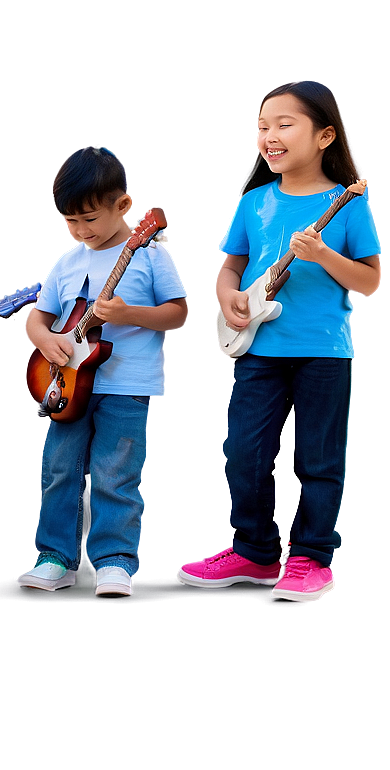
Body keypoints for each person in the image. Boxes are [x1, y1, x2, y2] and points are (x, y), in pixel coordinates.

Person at [177, 79, 382, 602]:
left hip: (324, 351)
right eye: (262, 126)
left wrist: (324, 258)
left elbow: (370, 280)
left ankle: (312, 558)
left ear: (325, 136)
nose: (268, 135)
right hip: (258, 351)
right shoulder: (253, 203)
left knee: (318, 459)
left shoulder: (349, 202)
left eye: (284, 124)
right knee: (241, 453)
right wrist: (227, 297)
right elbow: (229, 269)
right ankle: (256, 552)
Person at [19, 146, 188, 596]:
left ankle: (115, 562)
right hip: (67, 384)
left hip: (128, 386)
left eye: (90, 218)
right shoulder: (67, 262)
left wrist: (131, 314)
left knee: (117, 473)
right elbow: (37, 320)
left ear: (124, 206)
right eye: (71, 221)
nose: (80, 230)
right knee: (59, 469)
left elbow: (179, 314)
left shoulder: (150, 256)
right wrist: (45, 340)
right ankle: (55, 558)